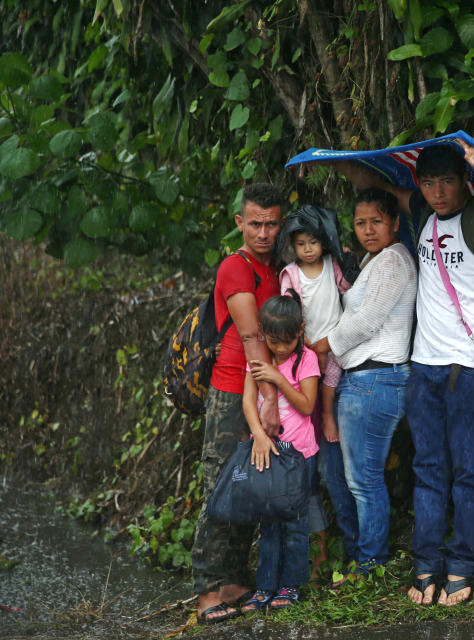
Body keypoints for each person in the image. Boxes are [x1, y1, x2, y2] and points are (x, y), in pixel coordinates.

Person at [333, 134, 474, 606]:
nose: (438, 192)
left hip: (469, 368)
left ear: (464, 183)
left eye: (447, 183)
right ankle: (426, 565)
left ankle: (461, 566)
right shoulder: (419, 213)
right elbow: (373, 182)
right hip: (423, 368)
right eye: (430, 183)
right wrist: (336, 160)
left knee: (468, 471)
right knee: (429, 469)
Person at [311, 188, 417, 580]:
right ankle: (366, 557)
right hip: (368, 380)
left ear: (394, 223)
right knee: (359, 477)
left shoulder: (393, 259)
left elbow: (367, 321)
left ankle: (371, 563)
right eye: (360, 223)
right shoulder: (376, 259)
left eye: (376, 221)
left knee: (364, 479)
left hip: (375, 378)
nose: (368, 230)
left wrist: (321, 346)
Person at [193, 183, 285, 624]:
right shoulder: (236, 266)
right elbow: (251, 336)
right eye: (254, 224)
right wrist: (268, 399)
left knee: (249, 485)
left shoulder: (278, 268)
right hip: (233, 389)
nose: (263, 233)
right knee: (219, 484)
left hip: (265, 387)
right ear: (239, 223)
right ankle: (208, 591)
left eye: (270, 224)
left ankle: (233, 581)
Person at [277, 206, 351, 577]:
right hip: (305, 348)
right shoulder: (289, 274)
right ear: (292, 245)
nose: (308, 250)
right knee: (312, 387)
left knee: (331, 384)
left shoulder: (332, 267)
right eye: (301, 244)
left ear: (325, 243)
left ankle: (326, 414)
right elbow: (288, 310)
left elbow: (350, 294)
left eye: (314, 243)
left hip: (336, 344)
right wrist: (304, 342)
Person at [238, 293, 320, 612]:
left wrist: (278, 379)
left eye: (287, 341)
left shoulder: (306, 359)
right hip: (266, 451)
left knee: (295, 523)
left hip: (299, 455)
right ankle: (265, 587)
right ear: (263, 333)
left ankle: (290, 586)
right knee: (268, 523)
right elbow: (248, 401)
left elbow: (307, 405)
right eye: (274, 340)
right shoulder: (258, 358)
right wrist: (258, 435)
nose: (280, 348)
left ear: (300, 332)